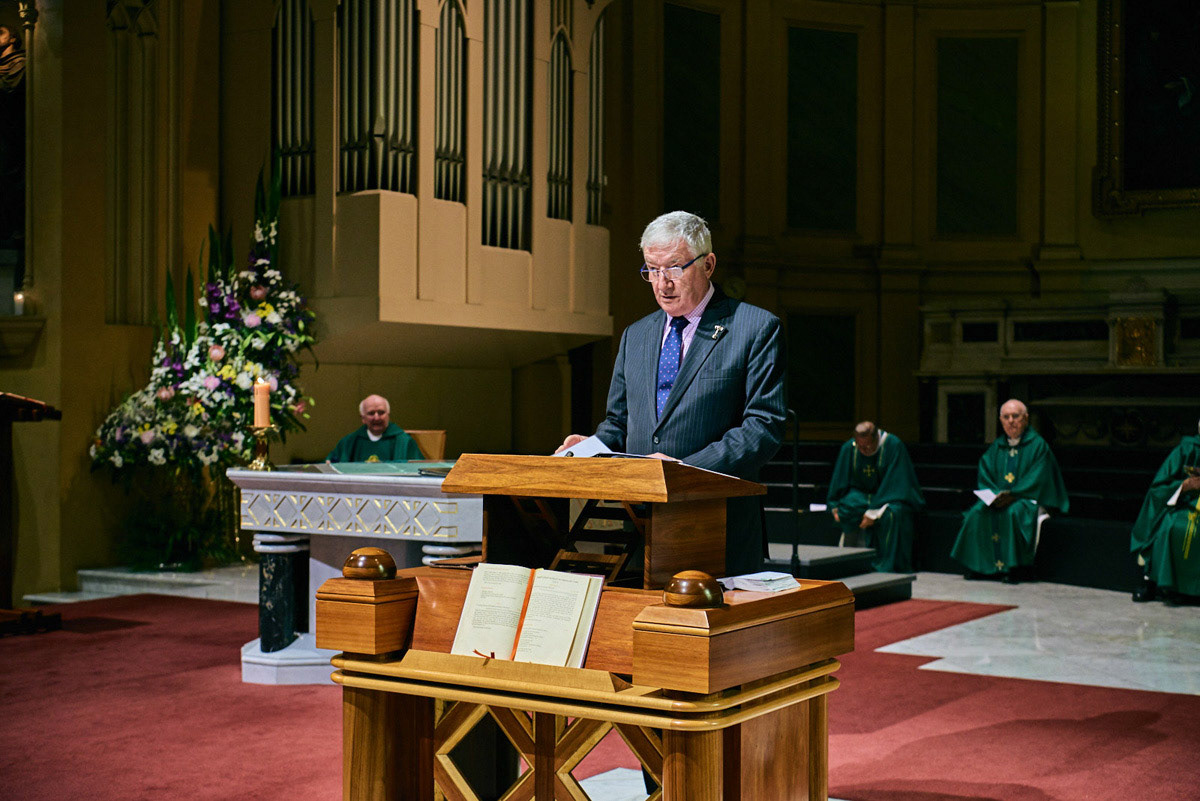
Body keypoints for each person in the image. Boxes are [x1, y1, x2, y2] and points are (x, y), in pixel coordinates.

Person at [556, 211, 787, 575]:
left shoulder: (753, 328)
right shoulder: (636, 336)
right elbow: (619, 424)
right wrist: (590, 448)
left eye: (674, 268)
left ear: (708, 264)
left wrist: (684, 471)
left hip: (716, 523)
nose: (662, 284)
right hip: (641, 526)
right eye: (651, 270)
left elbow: (764, 429)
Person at [950, 399, 1069, 583]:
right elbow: (986, 473)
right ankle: (980, 568)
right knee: (976, 513)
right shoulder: (997, 447)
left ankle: (1014, 569)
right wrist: (996, 495)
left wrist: (1014, 494)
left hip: (1027, 499)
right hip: (1001, 499)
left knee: (1013, 513)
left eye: (1016, 416)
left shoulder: (1038, 446)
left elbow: (1039, 476)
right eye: (1006, 417)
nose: (1011, 421)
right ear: (1001, 420)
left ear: (1026, 419)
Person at [826, 421, 925, 573]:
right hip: (862, 495)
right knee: (845, 508)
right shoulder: (851, 447)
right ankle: (849, 561)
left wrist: (874, 512)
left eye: (867, 446)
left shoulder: (893, 445)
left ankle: (885, 565)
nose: (863, 450)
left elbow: (898, 482)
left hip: (890, 495)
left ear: (876, 438)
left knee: (892, 514)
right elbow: (839, 481)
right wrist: (834, 506)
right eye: (860, 446)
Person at [1129, 421, 1200, 604]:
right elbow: (1159, 488)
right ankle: (1161, 585)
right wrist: (1184, 486)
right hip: (1184, 504)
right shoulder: (1187, 449)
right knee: (1172, 525)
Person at [326, 394, 424, 463]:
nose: (376, 418)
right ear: (363, 418)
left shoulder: (404, 441)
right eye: (371, 413)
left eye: (381, 412)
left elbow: (419, 470)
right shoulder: (349, 442)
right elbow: (330, 465)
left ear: (388, 415)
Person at [0, 24, 25, 244]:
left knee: (11, 180)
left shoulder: (20, 64)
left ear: (13, 39)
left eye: (0, 32)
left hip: (12, 134)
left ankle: (16, 228)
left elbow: (10, 89)